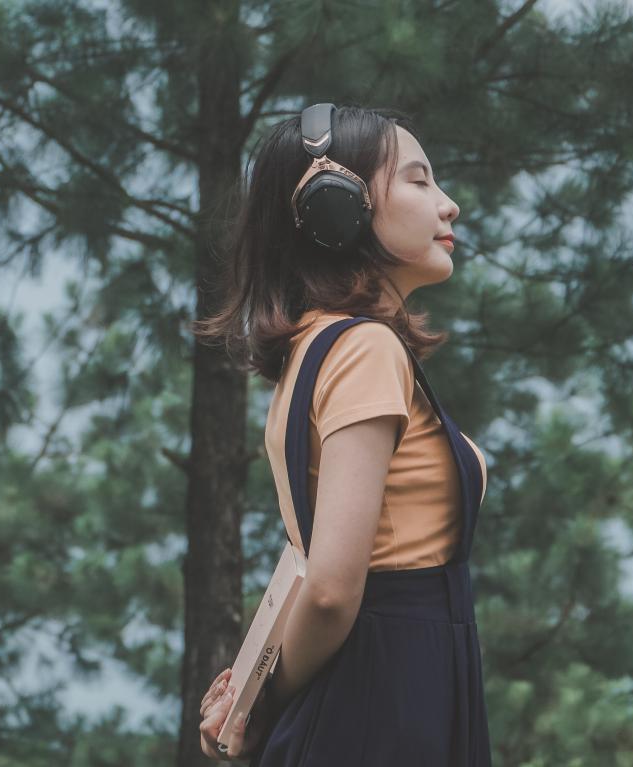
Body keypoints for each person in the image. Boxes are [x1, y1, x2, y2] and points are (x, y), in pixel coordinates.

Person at [192, 102, 491, 765]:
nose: (450, 206)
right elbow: (328, 586)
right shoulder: (365, 349)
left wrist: (249, 687)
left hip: (372, 691)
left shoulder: (311, 354)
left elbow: (304, 558)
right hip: (387, 694)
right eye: (419, 180)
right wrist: (257, 708)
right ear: (340, 205)